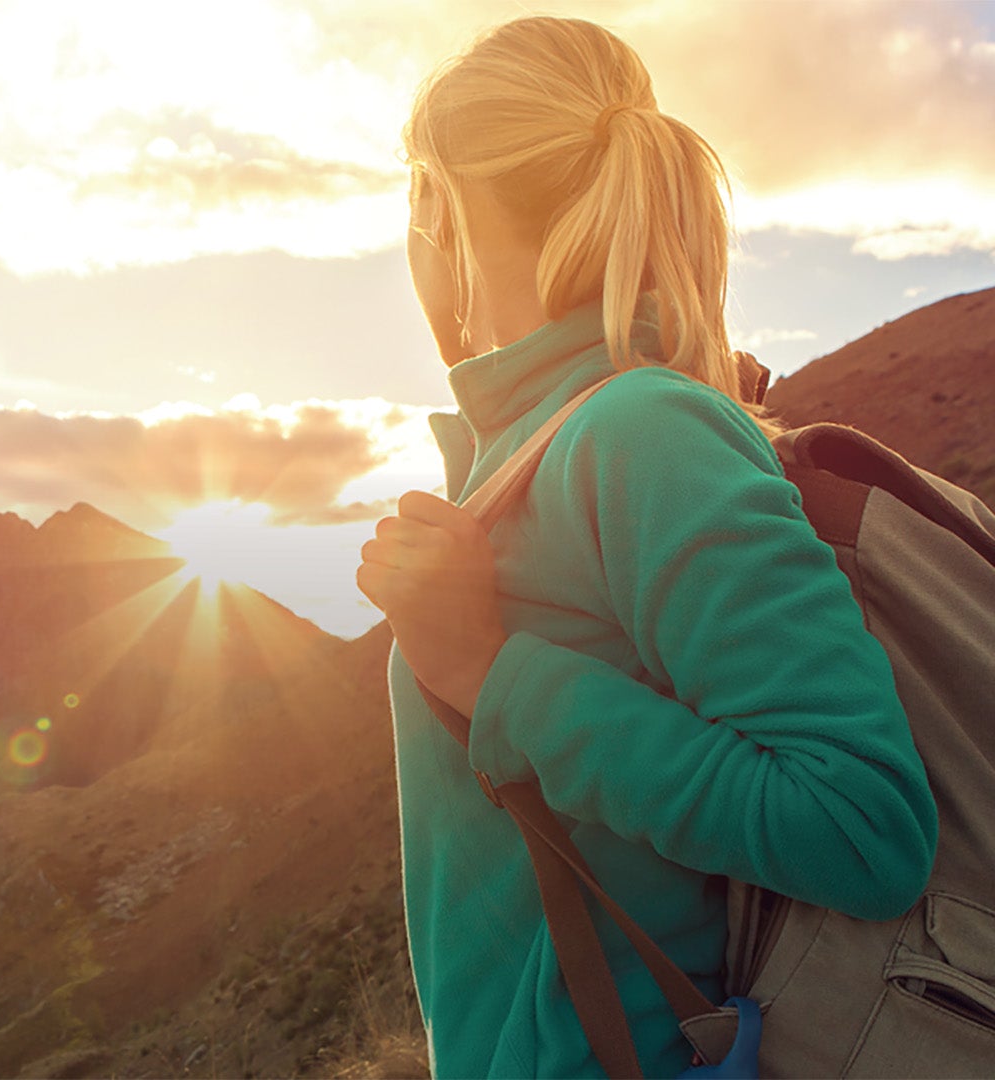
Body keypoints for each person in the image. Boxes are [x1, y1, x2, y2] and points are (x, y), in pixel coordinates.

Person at [354, 16, 938, 1078]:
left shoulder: (640, 434)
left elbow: (863, 825)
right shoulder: (541, 448)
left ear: (438, 208)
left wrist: (494, 676)